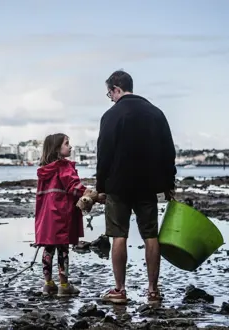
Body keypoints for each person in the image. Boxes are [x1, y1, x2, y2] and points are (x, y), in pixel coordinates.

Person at [96, 70, 176, 304]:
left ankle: (119, 290)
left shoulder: (110, 116)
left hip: (118, 186)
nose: (110, 97)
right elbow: (168, 153)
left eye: (109, 92)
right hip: (147, 186)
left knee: (118, 236)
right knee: (151, 236)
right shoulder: (156, 113)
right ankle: (153, 291)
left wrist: (101, 186)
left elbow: (104, 155)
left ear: (116, 89)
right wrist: (168, 183)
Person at [35, 133, 99, 297]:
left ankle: (48, 284)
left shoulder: (44, 170)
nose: (70, 147)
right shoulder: (64, 166)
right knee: (63, 249)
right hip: (62, 213)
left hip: (46, 216)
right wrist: (93, 195)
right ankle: (64, 285)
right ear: (57, 149)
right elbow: (74, 187)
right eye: (66, 144)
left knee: (48, 248)